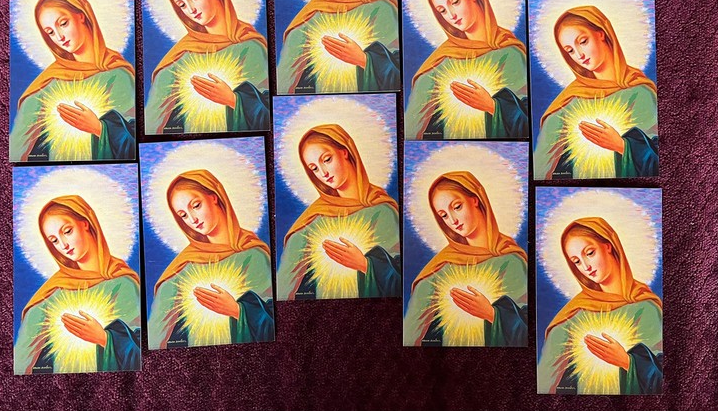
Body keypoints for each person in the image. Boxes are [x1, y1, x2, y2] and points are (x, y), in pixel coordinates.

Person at [14, 196, 141, 374]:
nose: (63, 245)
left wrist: (103, 338)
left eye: (67, 231)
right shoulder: (50, 295)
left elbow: (139, 353)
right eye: (54, 240)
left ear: (85, 223)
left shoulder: (123, 283)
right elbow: (22, 362)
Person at [148, 170, 274, 347]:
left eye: (196, 205)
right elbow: (156, 336)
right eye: (183, 215)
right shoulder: (182, 268)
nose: (192, 219)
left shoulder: (254, 254)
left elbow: (274, 323)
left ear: (214, 196)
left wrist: (237, 310)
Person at [537, 217, 663, 395]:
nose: (586, 267)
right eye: (576, 261)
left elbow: (663, 379)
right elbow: (544, 383)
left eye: (589, 253)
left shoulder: (647, 307)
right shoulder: (573, 315)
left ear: (608, 245)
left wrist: (626, 361)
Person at [10, 0, 136, 161]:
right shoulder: (47, 84)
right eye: (50, 32)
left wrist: (98, 128)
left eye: (63, 23)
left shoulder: (119, 75)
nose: (59, 37)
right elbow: (17, 150)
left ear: (81, 15)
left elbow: (134, 144)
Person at [403, 171, 528, 347]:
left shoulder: (512, 260)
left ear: (475, 199)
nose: (453, 220)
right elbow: (410, 336)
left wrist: (491, 314)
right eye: (444, 215)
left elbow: (527, 332)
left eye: (457, 207)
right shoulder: (440, 268)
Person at [533, 5, 658, 179]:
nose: (579, 55)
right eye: (570, 51)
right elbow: (540, 169)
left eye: (583, 42)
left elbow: (659, 161)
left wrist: (621, 145)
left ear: (601, 33)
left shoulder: (641, 93)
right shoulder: (569, 102)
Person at [277, 124, 400, 300]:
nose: (323, 173)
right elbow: (284, 289)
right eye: (314, 168)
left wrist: (364, 264)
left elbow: (400, 281)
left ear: (345, 151)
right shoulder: (312, 221)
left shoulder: (383, 211)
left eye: (327, 159)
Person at [145, 0, 270, 134]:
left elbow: (270, 116)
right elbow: (152, 125)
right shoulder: (178, 58)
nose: (191, 9)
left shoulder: (252, 46)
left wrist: (232, 99)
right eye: (182, 5)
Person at [405, 0, 528, 140]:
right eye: (442, 11)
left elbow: (527, 123)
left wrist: (492, 106)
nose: (451, 15)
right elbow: (412, 130)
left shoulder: (511, 53)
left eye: (455, 2)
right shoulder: (441, 61)